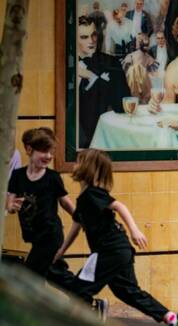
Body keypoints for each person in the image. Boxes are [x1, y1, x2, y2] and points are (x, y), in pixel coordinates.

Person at [54, 149, 178, 325]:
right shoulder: (83, 199)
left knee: (80, 289)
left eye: (78, 161)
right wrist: (61, 250)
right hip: (117, 251)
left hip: (111, 250)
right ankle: (171, 317)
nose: (75, 165)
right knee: (127, 291)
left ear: (88, 168)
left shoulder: (93, 193)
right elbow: (76, 228)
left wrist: (135, 230)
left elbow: (118, 206)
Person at [5, 128, 78, 290]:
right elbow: (9, 202)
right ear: (29, 149)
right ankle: (86, 297)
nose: (49, 156)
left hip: (51, 235)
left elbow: (65, 202)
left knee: (30, 277)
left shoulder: (52, 178)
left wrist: (80, 217)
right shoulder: (17, 176)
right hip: (34, 236)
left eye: (51, 152)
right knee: (54, 273)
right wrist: (11, 207)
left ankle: (32, 311)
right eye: (44, 151)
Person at [76, 16, 129, 148]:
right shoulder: (65, 65)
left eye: (94, 35)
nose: (92, 41)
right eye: (84, 37)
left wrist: (94, 78)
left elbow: (123, 106)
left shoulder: (111, 63)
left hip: (100, 141)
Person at [122, 33, 158, 104]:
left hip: (145, 84)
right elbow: (125, 72)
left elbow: (153, 74)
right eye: (138, 40)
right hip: (132, 83)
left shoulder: (149, 58)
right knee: (133, 70)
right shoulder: (131, 56)